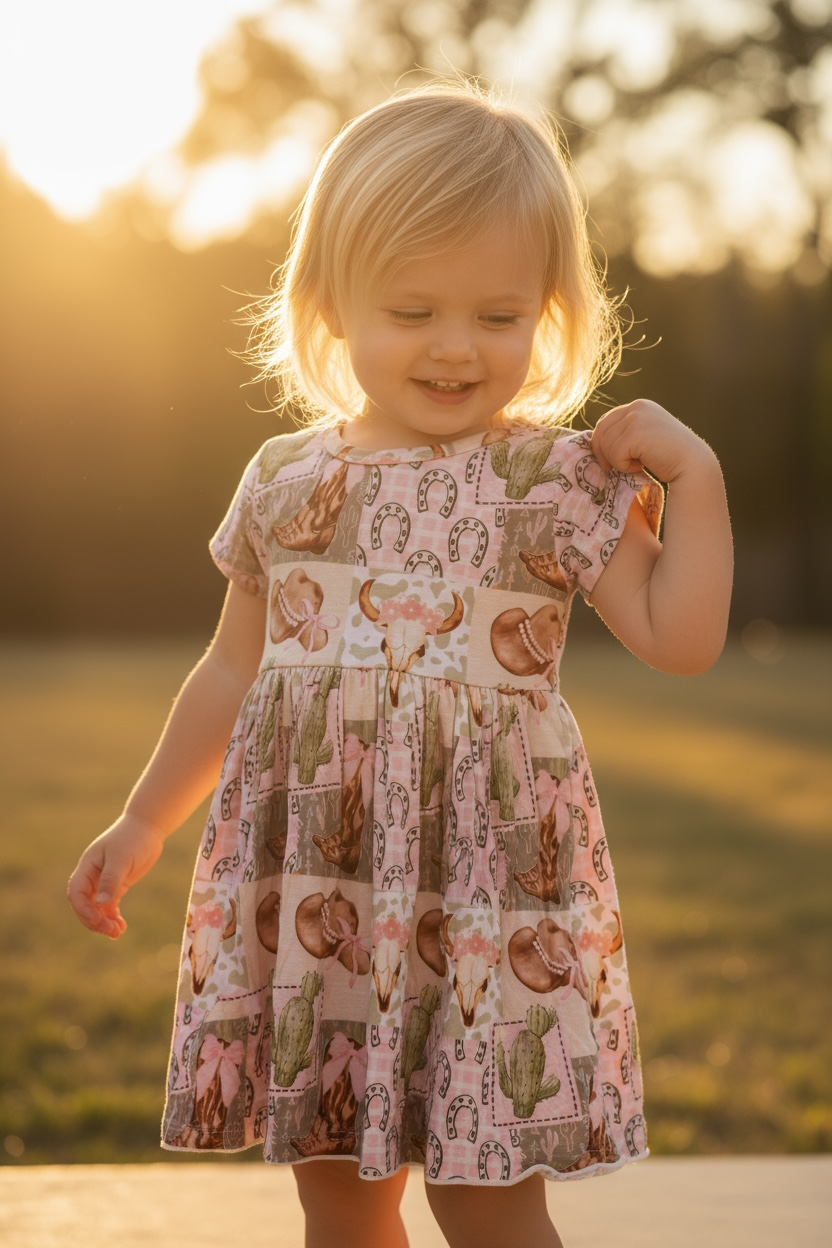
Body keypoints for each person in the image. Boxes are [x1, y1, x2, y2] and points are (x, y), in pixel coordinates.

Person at [67, 79, 733, 1248]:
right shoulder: (284, 480)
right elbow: (231, 672)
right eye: (412, 309)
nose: (454, 347)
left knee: (485, 1195)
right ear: (329, 304)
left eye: (498, 314)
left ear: (551, 313)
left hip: (486, 894)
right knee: (340, 1189)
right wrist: (142, 819)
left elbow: (680, 641)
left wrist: (699, 482)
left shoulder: (554, 482)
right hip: (325, 892)